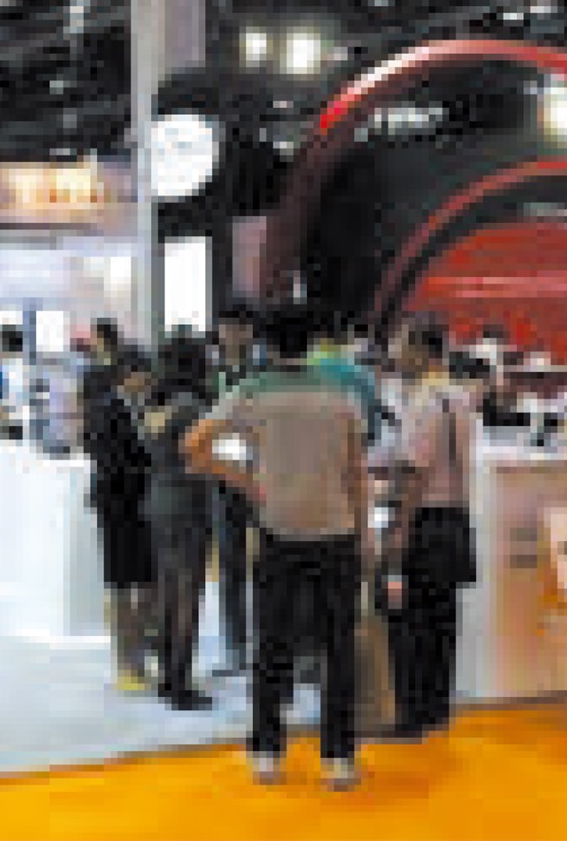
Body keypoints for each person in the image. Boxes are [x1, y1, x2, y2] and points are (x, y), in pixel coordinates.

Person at [184, 302, 371, 792]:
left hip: (277, 530)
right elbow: (358, 472)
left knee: (271, 644)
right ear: (312, 342)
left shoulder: (252, 391)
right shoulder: (342, 394)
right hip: (336, 531)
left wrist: (246, 482)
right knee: (338, 648)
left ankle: (266, 752)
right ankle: (339, 758)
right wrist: (366, 535)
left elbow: (193, 446)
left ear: (267, 343)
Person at [375, 321, 477, 741]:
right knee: (442, 620)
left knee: (408, 620)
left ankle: (410, 717)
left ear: (420, 349)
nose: (394, 355)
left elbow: (414, 472)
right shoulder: (460, 396)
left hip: (423, 522)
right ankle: (435, 710)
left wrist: (398, 528)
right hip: (454, 521)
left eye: (399, 346)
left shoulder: (422, 402)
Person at [143, 333, 218, 710]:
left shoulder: (154, 404)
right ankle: (179, 682)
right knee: (188, 592)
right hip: (189, 500)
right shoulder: (192, 406)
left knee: (167, 588)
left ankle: (166, 677)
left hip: (158, 496)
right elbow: (204, 456)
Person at [85, 347, 157, 694]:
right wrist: (149, 471)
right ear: (128, 374)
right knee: (121, 587)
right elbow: (109, 463)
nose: (149, 380)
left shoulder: (140, 408)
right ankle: (125, 665)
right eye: (144, 373)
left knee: (145, 585)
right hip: (116, 507)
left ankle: (138, 660)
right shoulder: (107, 410)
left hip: (140, 507)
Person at [210, 301, 264, 677]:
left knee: (267, 563)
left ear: (250, 332)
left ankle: (267, 643)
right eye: (227, 327)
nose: (233, 335)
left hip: (261, 476)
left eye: (240, 328)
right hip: (222, 476)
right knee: (229, 565)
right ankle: (235, 649)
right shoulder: (209, 371)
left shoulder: (264, 371)